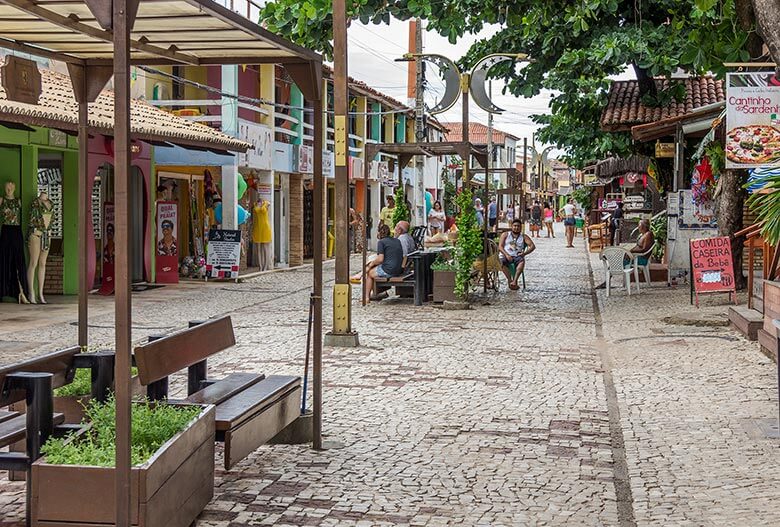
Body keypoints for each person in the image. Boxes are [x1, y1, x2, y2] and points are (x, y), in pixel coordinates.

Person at [355, 224, 404, 304]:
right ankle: (360, 275)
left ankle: (366, 297)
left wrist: (372, 264)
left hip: (389, 270)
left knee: (370, 273)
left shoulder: (381, 242)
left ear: (379, 233)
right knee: (372, 265)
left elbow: (380, 259)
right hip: (398, 269)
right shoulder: (397, 240)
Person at [498, 219, 535, 291]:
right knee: (501, 262)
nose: (516, 227)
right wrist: (506, 255)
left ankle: (515, 281)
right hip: (505, 255)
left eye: (518, 226)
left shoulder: (523, 236)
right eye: (514, 226)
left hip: (517, 256)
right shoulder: (505, 234)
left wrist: (524, 253)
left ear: (521, 227)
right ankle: (510, 280)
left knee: (522, 262)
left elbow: (532, 246)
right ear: (511, 226)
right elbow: (500, 246)